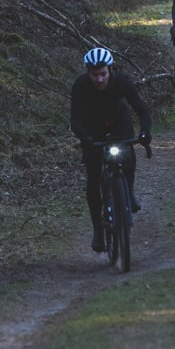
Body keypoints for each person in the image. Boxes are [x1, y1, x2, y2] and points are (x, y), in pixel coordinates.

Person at [70, 47, 152, 253]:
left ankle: (129, 193)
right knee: (93, 178)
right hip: (92, 129)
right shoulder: (81, 86)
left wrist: (145, 133)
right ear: (88, 73)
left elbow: (142, 111)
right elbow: (75, 120)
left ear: (110, 70)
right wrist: (85, 139)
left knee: (128, 154)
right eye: (94, 75)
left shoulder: (122, 82)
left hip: (119, 123)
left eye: (103, 74)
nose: (99, 79)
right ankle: (98, 230)